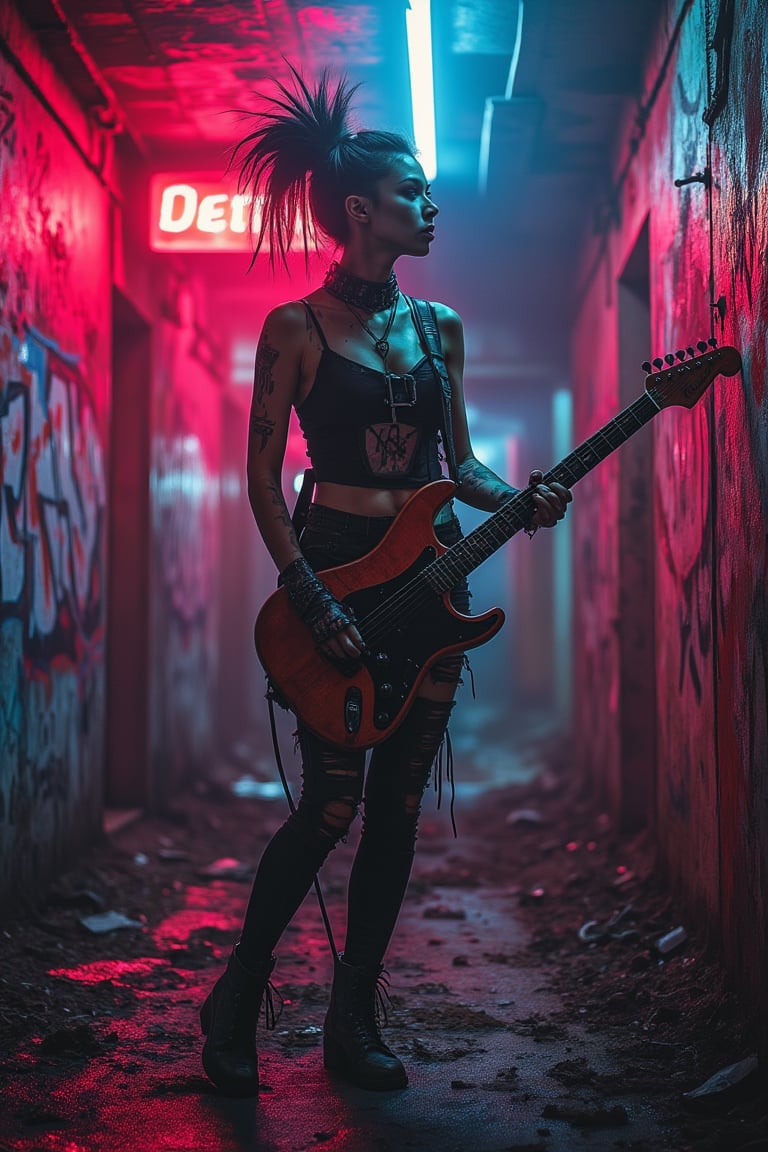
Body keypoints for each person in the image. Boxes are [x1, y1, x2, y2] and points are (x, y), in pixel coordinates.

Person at [200, 67, 572, 1097]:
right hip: (335, 581)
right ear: (360, 211)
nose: (432, 207)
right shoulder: (297, 329)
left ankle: (352, 1018)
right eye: (414, 194)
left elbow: (463, 467)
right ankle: (238, 993)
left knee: (400, 807)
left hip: (433, 590)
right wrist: (305, 593)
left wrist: (522, 496)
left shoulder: (441, 327)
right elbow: (261, 479)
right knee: (328, 806)